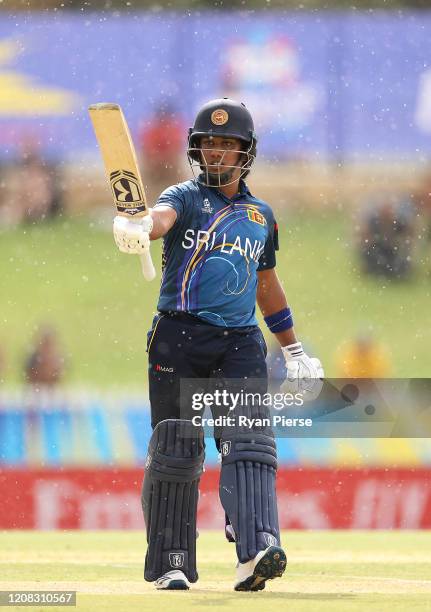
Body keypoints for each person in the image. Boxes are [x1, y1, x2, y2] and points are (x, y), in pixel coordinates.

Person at [112, 98, 324, 591]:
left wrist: (292, 348)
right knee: (176, 449)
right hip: (177, 338)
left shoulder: (260, 216)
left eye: (227, 145)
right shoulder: (182, 197)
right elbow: (159, 218)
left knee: (247, 442)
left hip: (240, 344)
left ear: (246, 153)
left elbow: (266, 284)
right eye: (208, 144)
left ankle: (255, 551)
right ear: (196, 149)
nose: (216, 154)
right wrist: (139, 226)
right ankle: (172, 561)